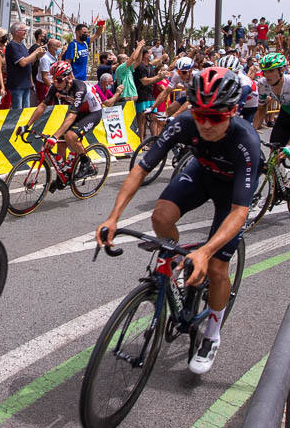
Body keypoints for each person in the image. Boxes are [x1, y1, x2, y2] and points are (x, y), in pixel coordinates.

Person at [97, 67, 259, 374]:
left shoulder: (246, 141)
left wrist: (206, 252)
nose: (206, 124)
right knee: (161, 216)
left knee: (217, 268)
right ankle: (175, 269)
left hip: (231, 193)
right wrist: (113, 217)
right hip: (201, 174)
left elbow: (240, 211)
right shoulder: (184, 123)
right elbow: (141, 169)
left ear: (232, 112)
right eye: (200, 115)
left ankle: (212, 335)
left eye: (215, 117)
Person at [20, 60, 101, 173]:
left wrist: (54, 136)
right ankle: (63, 175)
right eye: (53, 79)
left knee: (70, 136)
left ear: (68, 78)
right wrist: (27, 125)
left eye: (58, 80)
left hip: (93, 113)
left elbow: (72, 115)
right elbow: (42, 106)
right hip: (78, 112)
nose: (55, 83)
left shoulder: (79, 88)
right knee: (61, 144)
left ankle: (86, 162)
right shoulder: (55, 87)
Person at [4, 21, 45, 109]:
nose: (25, 32)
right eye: (24, 30)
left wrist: (38, 56)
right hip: (17, 84)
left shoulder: (22, 45)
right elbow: (23, 63)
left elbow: (29, 62)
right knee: (18, 111)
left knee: (26, 111)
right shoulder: (12, 46)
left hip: (25, 84)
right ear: (16, 32)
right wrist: (35, 52)